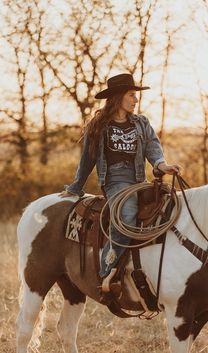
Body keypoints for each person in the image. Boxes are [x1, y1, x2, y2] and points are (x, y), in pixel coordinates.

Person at [60, 73, 180, 291]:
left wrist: (162, 165)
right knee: (126, 216)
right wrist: (76, 188)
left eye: (135, 95)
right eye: (132, 95)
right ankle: (106, 271)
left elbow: (153, 147)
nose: (136, 100)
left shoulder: (141, 123)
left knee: (168, 206)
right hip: (115, 182)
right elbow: (86, 160)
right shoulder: (98, 126)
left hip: (138, 179)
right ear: (118, 97)